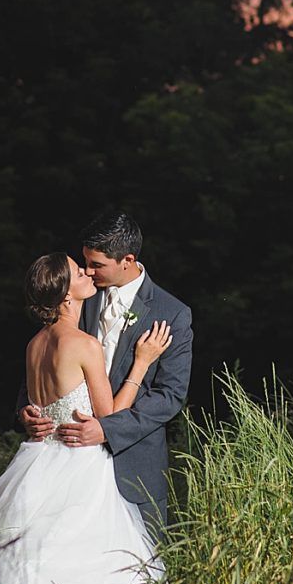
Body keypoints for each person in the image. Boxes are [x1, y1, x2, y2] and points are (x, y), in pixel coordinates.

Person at [0, 251, 172, 584]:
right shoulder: (83, 344)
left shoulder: (34, 344)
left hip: (36, 462)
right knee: (82, 560)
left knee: (33, 559)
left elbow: (43, 401)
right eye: (77, 271)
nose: (87, 272)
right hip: (77, 461)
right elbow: (110, 415)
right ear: (67, 295)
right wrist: (141, 364)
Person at [19, 211, 193, 537]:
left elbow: (170, 396)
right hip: (67, 465)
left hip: (133, 466)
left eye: (96, 265)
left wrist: (108, 429)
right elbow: (45, 362)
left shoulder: (171, 314)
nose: (87, 271)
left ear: (127, 260)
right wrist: (29, 411)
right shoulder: (78, 293)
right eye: (85, 262)